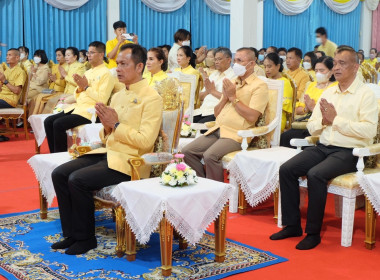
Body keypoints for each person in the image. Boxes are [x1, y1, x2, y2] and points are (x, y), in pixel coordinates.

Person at [50, 44, 163, 255]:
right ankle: (72, 234)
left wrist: (117, 125)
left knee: (77, 179)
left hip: (130, 161)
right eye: (117, 64)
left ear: (139, 67)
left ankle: (86, 238)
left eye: (123, 64)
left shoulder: (152, 97)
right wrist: (107, 126)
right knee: (59, 173)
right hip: (108, 153)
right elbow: (107, 135)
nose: (118, 69)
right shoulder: (119, 95)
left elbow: (146, 141)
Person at [271, 46, 378, 250]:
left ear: (355, 67)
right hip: (322, 146)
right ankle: (292, 225)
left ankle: (313, 232)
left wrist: (335, 121)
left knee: (316, 175)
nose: (336, 68)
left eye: (342, 63)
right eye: (335, 63)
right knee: (286, 169)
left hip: (349, 152)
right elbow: (312, 125)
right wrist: (324, 122)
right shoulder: (329, 91)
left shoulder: (365, 94)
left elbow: (368, 131)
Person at [182, 47, 269, 182]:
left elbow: (252, 116)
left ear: (251, 64)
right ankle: (203, 185)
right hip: (218, 128)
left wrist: (233, 98)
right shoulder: (232, 82)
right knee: (187, 152)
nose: (236, 64)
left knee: (210, 155)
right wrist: (225, 98)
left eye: (240, 61)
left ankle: (217, 194)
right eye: (235, 60)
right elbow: (217, 113)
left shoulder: (259, 86)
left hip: (237, 134)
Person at [44, 42, 115, 153]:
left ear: (101, 55)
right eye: (88, 52)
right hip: (78, 107)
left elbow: (102, 99)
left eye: (92, 53)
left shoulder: (106, 74)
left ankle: (61, 157)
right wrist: (81, 89)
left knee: (58, 124)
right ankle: (54, 154)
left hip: (91, 111)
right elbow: (77, 94)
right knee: (48, 121)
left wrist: (86, 87)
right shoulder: (88, 72)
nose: (89, 55)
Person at [280, 56, 337, 147]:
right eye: (316, 70)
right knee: (284, 137)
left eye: (322, 71)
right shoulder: (311, 85)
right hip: (305, 123)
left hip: (322, 126)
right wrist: (306, 109)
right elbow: (297, 108)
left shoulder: (335, 87)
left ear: (331, 72)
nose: (318, 73)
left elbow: (331, 112)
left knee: (291, 137)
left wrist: (313, 108)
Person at [194, 47, 236, 124]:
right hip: (203, 110)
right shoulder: (213, 75)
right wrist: (208, 91)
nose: (216, 62)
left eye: (219, 59)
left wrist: (212, 91)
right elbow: (200, 97)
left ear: (229, 60)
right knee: (184, 122)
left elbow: (230, 99)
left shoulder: (234, 76)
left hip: (217, 112)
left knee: (196, 127)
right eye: (215, 59)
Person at [41, 47, 86, 114]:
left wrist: (65, 76)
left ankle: (52, 121)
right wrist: (56, 79)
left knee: (58, 105)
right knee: (51, 102)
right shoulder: (66, 67)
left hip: (75, 94)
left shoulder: (80, 67)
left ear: (75, 57)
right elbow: (63, 83)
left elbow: (78, 83)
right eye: (65, 55)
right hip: (66, 93)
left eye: (68, 55)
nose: (66, 57)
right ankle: (46, 121)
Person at [0, 48, 27, 141]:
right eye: (7, 55)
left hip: (10, 100)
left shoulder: (20, 72)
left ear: (17, 58)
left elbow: (17, 91)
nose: (7, 57)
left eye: (10, 55)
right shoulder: (7, 71)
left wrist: (4, 81)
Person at [263, 52, 293, 132]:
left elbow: (285, 105)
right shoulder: (265, 81)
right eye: (265, 67)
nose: (266, 70)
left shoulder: (284, 82)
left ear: (278, 66)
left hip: (277, 117)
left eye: (269, 66)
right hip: (263, 115)